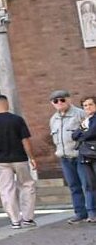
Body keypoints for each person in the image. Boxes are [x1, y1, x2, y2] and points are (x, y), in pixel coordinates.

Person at [0, 94, 37, 228]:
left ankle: (14, 220)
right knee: (27, 185)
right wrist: (32, 157)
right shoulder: (17, 120)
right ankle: (28, 218)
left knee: (6, 189)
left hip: (1, 160)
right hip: (20, 158)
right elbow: (25, 140)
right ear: (7, 104)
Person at [49, 90, 88, 225]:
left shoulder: (80, 114)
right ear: (52, 104)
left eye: (62, 100)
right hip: (64, 158)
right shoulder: (53, 119)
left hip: (81, 156)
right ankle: (80, 213)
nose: (59, 103)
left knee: (88, 185)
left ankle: (92, 211)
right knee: (73, 186)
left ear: (69, 99)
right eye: (55, 101)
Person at [74, 97, 96, 225]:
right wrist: (83, 133)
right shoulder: (85, 121)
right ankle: (92, 213)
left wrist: (83, 134)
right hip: (87, 155)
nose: (87, 107)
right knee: (90, 185)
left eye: (90, 104)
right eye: (85, 105)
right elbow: (74, 135)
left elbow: (91, 133)